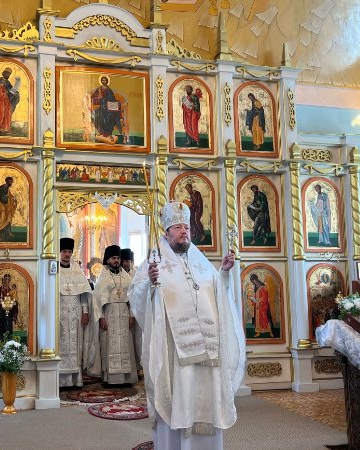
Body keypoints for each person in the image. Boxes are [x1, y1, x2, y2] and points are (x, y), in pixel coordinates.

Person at [128, 202, 245, 450]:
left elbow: (218, 294)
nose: (184, 231)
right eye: (178, 227)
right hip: (174, 351)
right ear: (166, 233)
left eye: (187, 227)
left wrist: (224, 273)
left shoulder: (201, 262)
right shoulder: (153, 262)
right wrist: (149, 284)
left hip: (208, 351)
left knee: (206, 396)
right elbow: (136, 297)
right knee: (178, 395)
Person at [88, 245, 138, 385]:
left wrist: (131, 315)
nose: (116, 261)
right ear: (108, 260)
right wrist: (101, 317)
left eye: (118, 258)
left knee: (125, 346)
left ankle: (126, 378)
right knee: (109, 345)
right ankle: (109, 379)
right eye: (113, 258)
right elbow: (97, 301)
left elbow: (132, 299)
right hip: (109, 315)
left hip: (124, 315)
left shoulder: (126, 278)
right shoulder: (103, 277)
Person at [59, 238, 93, 388]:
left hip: (75, 314)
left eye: (69, 252)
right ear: (60, 252)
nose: (67, 254)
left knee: (75, 344)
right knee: (61, 344)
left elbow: (83, 294)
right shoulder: (54, 269)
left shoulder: (77, 271)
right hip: (60, 314)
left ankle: (75, 380)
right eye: (64, 251)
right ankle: (61, 381)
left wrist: (85, 312)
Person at [90, 76, 126, 145]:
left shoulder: (110, 90)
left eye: (105, 80)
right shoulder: (99, 89)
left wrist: (117, 103)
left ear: (107, 81)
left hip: (109, 108)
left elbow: (113, 100)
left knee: (110, 116)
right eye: (102, 80)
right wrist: (99, 98)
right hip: (102, 107)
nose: (104, 81)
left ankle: (109, 134)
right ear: (101, 81)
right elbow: (92, 99)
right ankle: (100, 131)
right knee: (95, 113)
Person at [0, 67, 21, 135]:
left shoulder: (7, 82)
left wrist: (15, 93)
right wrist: (7, 93)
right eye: (7, 73)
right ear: (4, 73)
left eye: (9, 74)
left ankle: (7, 128)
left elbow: (11, 89)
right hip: (0, 102)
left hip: (7, 101)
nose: (8, 75)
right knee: (1, 115)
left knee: (7, 114)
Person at [0, 177, 16, 242]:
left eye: (12, 181)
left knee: (9, 218)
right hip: (1, 205)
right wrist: (9, 198)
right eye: (10, 181)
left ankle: (9, 232)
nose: (11, 183)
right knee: (1, 219)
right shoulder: (1, 188)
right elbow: (2, 198)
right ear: (7, 181)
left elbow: (10, 196)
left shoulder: (7, 188)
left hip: (7, 206)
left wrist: (13, 199)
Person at [0, 274, 18, 340]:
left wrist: (14, 302)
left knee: (8, 325)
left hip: (9, 310)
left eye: (9, 279)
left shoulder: (11, 290)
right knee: (1, 325)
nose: (7, 281)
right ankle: (0, 341)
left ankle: (9, 340)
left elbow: (14, 299)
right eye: (6, 279)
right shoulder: (0, 290)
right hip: (1, 311)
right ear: (3, 280)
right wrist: (2, 301)